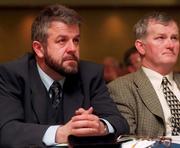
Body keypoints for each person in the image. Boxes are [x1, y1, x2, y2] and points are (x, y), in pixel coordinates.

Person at [0, 4, 129, 148]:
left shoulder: (90, 74)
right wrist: (60, 133)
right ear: (39, 49)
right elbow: (6, 131)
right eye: (62, 40)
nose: (73, 49)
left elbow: (120, 122)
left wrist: (101, 126)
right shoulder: (12, 74)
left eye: (76, 40)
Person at [108, 11, 180, 137]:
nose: (170, 45)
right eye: (160, 38)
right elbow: (126, 140)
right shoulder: (121, 89)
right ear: (141, 47)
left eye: (174, 38)